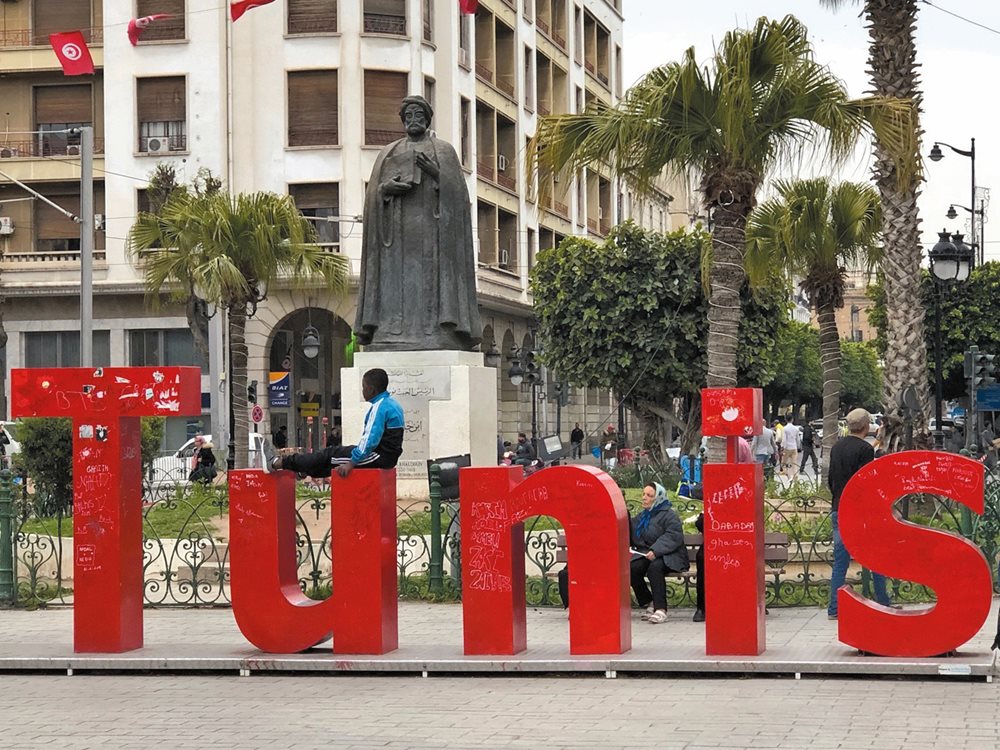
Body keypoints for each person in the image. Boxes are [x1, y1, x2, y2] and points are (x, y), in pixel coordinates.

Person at [355, 94, 482, 351]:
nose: (413, 120)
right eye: (409, 116)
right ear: (403, 121)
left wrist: (437, 174)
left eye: (419, 115)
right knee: (396, 286)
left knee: (430, 285)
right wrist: (385, 190)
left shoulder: (443, 150)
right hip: (396, 240)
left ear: (427, 120)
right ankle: (390, 330)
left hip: (433, 237)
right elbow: (372, 197)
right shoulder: (388, 152)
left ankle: (436, 332)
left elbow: (459, 196)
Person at [265, 368, 404, 477]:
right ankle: (303, 469)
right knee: (332, 458)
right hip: (385, 456)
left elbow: (370, 439)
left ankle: (278, 462)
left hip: (378, 456)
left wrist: (352, 463)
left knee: (329, 455)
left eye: (364, 387)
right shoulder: (393, 404)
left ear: (371, 389)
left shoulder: (380, 407)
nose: (363, 391)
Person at [827, 408, 895, 620]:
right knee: (874, 557)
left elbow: (831, 480)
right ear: (866, 426)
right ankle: (883, 600)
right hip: (859, 511)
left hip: (839, 508)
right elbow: (865, 481)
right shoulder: (865, 449)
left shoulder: (837, 447)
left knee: (840, 562)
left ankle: (834, 609)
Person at [630, 483, 689, 624]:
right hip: (649, 554)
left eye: (649, 496)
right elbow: (633, 533)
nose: (644, 498)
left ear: (658, 498)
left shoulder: (669, 515)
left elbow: (673, 536)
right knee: (633, 568)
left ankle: (661, 609)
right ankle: (649, 601)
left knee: (655, 568)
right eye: (644, 494)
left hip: (671, 555)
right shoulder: (643, 516)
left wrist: (656, 550)